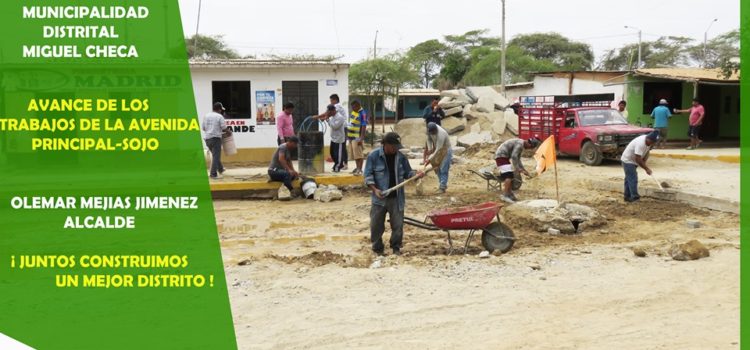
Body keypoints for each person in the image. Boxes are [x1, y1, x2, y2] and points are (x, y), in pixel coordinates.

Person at [364, 132, 425, 256]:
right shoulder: (374, 156)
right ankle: (377, 248)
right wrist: (375, 190)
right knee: (376, 225)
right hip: (379, 198)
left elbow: (408, 174)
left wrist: (416, 175)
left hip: (396, 198)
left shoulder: (401, 157)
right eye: (393, 146)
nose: (396, 149)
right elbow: (368, 176)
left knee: (398, 226)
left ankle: (396, 247)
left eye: (397, 146)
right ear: (385, 144)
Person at [493, 137, 541, 203]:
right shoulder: (520, 144)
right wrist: (518, 169)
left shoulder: (520, 144)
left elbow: (518, 159)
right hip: (501, 156)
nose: (528, 149)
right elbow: (514, 156)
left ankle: (509, 194)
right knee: (508, 176)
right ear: (529, 144)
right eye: (530, 148)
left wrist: (523, 169)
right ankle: (504, 195)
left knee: (510, 176)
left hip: (504, 157)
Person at [621, 131, 658, 203]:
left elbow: (647, 152)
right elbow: (637, 158)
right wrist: (646, 168)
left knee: (629, 178)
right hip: (628, 160)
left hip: (633, 161)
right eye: (653, 142)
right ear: (649, 139)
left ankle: (627, 196)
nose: (654, 144)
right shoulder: (640, 143)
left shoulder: (649, 142)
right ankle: (635, 198)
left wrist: (644, 162)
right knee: (633, 178)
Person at [316, 104, 347, 172]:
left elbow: (334, 126)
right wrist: (323, 119)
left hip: (339, 139)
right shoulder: (333, 116)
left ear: (333, 110)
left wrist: (327, 119)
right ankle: (337, 164)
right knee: (332, 153)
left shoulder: (340, 117)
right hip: (333, 138)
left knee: (338, 155)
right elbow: (327, 118)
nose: (329, 113)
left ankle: (338, 167)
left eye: (330, 112)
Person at [423, 122, 452, 193]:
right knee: (436, 168)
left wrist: (429, 159)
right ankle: (442, 185)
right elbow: (429, 139)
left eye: (434, 131)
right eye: (432, 132)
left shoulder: (441, 134)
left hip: (445, 149)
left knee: (443, 168)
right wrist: (430, 149)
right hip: (437, 149)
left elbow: (438, 148)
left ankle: (442, 187)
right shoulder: (428, 130)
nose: (434, 133)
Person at [202, 102, 229, 179]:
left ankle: (220, 169)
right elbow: (224, 127)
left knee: (215, 155)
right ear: (219, 109)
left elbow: (203, 128)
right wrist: (229, 132)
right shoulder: (219, 116)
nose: (221, 111)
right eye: (221, 109)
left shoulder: (206, 116)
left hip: (207, 139)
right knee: (216, 156)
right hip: (216, 139)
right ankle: (213, 174)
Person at [347, 99, 368, 175]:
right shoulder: (354, 112)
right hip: (351, 136)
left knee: (359, 154)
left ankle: (360, 169)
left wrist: (361, 138)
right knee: (355, 154)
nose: (353, 109)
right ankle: (357, 168)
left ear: (358, 106)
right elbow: (351, 123)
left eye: (354, 107)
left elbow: (363, 125)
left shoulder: (363, 113)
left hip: (357, 137)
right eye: (352, 107)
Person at [329, 94, 349, 170]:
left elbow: (327, 113)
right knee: (336, 149)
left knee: (342, 147)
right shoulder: (335, 110)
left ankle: (344, 163)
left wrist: (318, 117)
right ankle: (339, 163)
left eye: (331, 100)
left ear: (335, 100)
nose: (331, 102)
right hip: (340, 128)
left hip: (342, 128)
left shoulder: (337, 106)